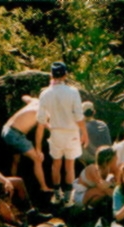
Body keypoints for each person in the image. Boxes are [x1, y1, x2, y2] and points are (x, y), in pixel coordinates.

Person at [35, 61, 89, 207]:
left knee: (56, 164)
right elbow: (79, 116)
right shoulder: (73, 92)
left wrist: (38, 146)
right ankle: (68, 197)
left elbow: (41, 120)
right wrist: (84, 133)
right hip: (71, 133)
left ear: (51, 75)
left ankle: (57, 194)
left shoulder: (45, 94)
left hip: (55, 132)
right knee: (69, 165)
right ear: (65, 75)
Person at [1, 95, 52, 192]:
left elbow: (24, 97)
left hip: (6, 130)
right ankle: (44, 187)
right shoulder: (43, 112)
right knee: (37, 159)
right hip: (16, 135)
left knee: (16, 160)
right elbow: (39, 133)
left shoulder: (35, 102)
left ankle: (12, 185)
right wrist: (38, 150)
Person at [79, 101, 112, 166]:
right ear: (94, 112)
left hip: (94, 157)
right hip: (107, 155)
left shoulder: (82, 128)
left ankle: (85, 166)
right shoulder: (103, 124)